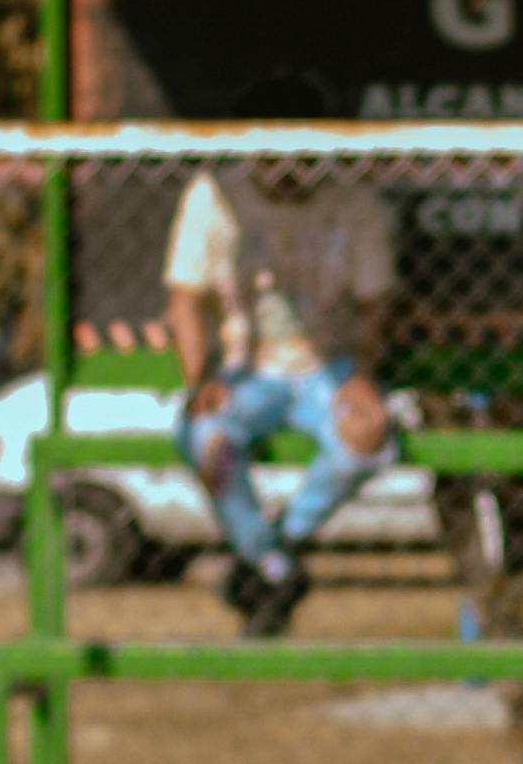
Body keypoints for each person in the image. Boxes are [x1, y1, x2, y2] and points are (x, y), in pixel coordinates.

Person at [162, 70, 398, 640]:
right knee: (205, 439)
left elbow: (377, 304)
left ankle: (272, 552)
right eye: (273, 154)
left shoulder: (354, 204)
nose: (288, 170)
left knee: (368, 433)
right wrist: (201, 381)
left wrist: (363, 376)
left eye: (302, 153)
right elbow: (184, 300)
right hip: (248, 367)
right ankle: (275, 567)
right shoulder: (214, 195)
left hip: (328, 366)